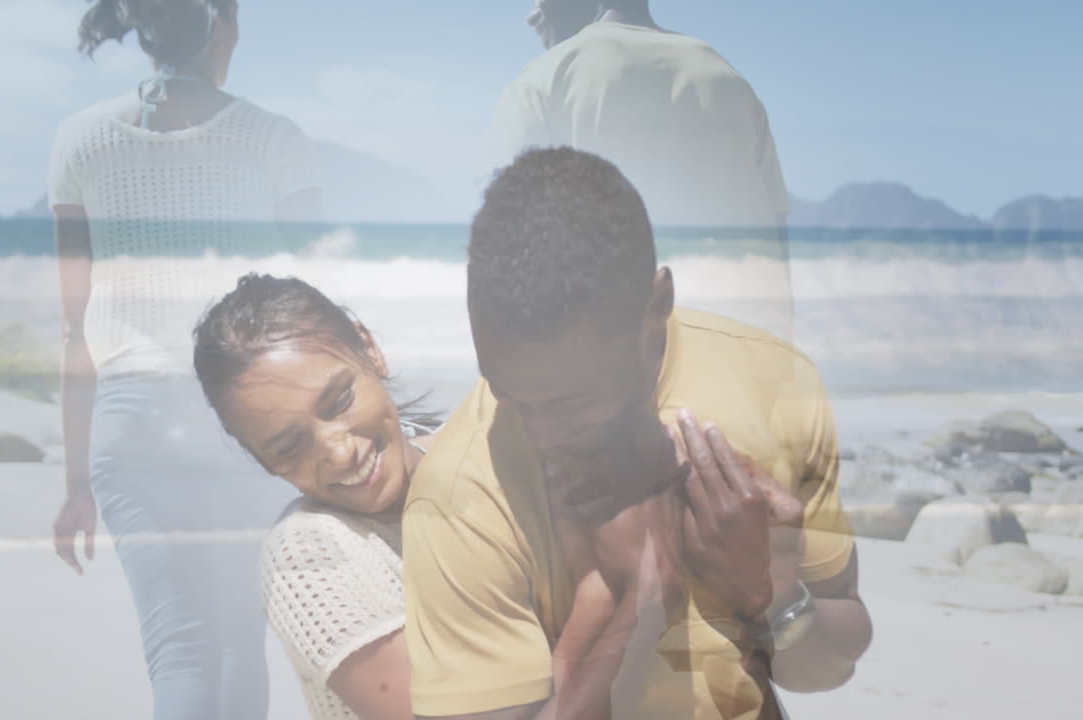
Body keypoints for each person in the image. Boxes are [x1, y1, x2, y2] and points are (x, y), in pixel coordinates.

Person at [402, 147, 872, 719]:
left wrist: (773, 593)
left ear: (656, 307)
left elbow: (831, 668)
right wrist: (644, 598)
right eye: (504, 390)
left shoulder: (774, 383)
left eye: (571, 403)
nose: (539, 434)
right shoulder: (461, 495)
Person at [47, 2, 321, 718]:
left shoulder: (78, 144)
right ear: (222, 29)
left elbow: (74, 329)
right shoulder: (274, 140)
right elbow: (319, 302)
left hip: (129, 425)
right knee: (236, 642)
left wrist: (77, 479)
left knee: (182, 650)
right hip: (240, 417)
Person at [190, 273, 627, 720]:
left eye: (338, 400)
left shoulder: (492, 455)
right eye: (290, 446)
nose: (340, 453)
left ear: (370, 349)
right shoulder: (311, 556)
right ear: (263, 460)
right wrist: (612, 603)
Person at [487, 0, 795, 341]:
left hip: (607, 362)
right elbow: (775, 250)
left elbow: (506, 250)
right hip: (734, 349)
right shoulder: (731, 80)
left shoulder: (542, 80)